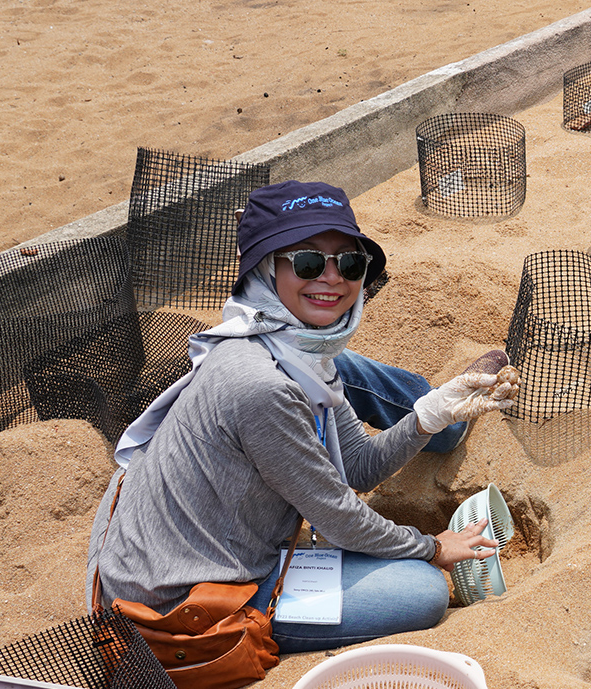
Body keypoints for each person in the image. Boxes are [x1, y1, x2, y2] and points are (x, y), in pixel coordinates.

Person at [85, 180, 516, 651]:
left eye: (350, 263)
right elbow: (338, 518)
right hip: (170, 600)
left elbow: (357, 465)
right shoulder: (262, 386)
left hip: (164, 542)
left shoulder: (294, 351)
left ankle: (444, 427)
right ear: (265, 271)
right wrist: (433, 547)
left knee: (349, 373)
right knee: (423, 590)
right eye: (308, 262)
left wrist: (425, 418)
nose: (332, 278)